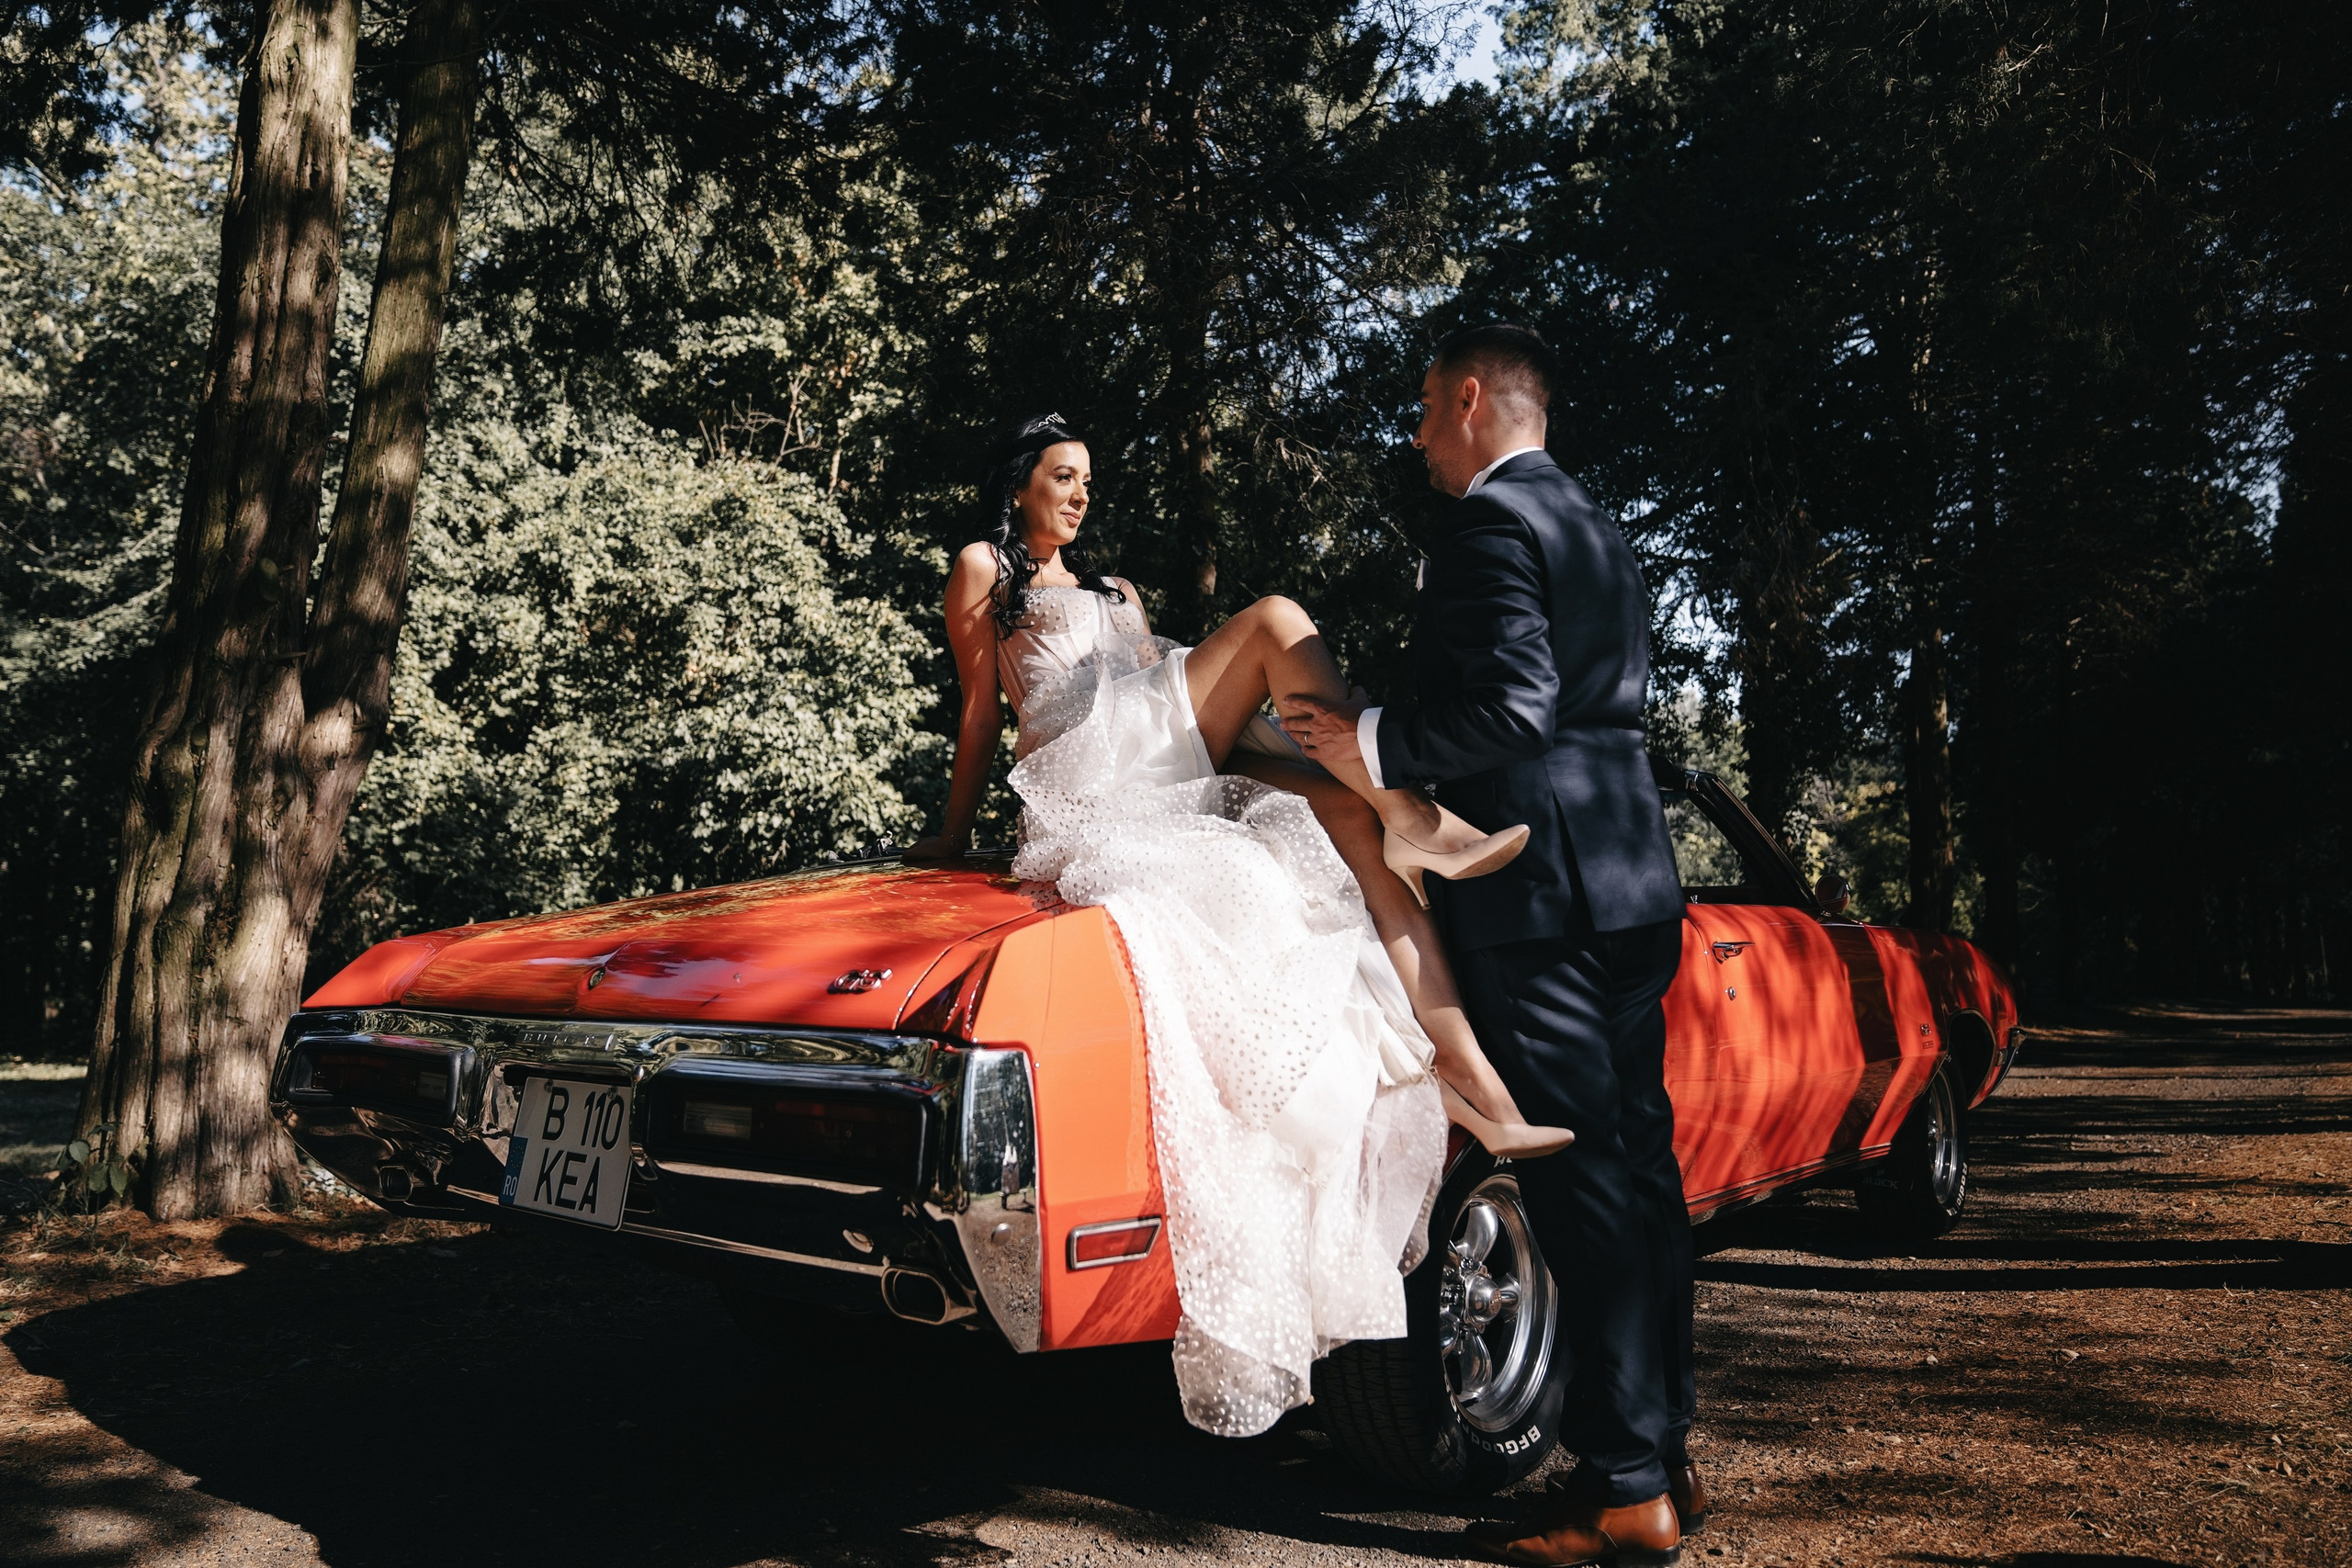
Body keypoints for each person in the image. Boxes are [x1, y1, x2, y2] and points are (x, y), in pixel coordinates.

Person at [905, 410, 1566, 1436]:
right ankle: (1412, 809)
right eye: (1062, 477)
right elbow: (983, 714)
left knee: (1332, 807)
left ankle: (1473, 1080)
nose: (1080, 495)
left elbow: (1174, 694)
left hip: (1161, 758)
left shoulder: (1118, 591)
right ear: (1020, 482)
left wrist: (1294, 742)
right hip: (1086, 775)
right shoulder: (981, 568)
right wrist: (951, 840)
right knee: (1271, 618)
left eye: (1088, 479)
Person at [1283, 325, 1700, 1568]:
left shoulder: (1483, 527)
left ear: (1471, 399)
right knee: (1641, 1173)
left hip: (1541, 901)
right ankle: (1663, 1450)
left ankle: (1626, 1487)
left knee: (1577, 1183)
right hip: (1631, 876)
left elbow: (1511, 707)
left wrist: (1372, 737)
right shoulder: (1595, 523)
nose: (1417, 438)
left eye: (1423, 411)